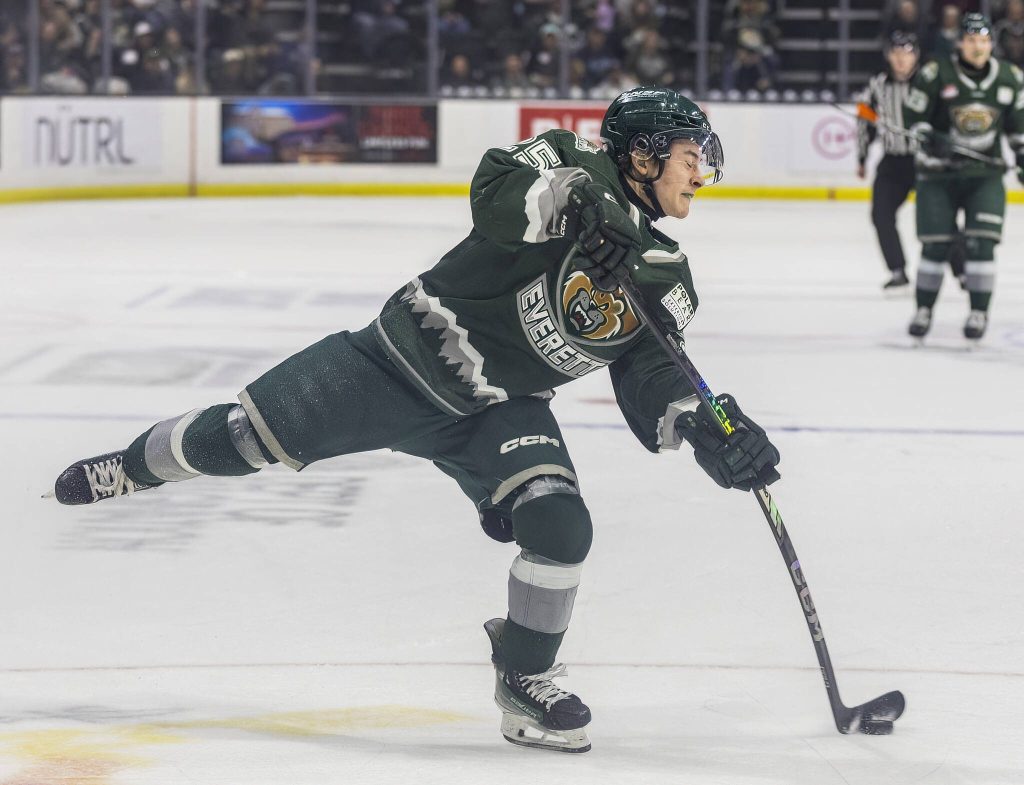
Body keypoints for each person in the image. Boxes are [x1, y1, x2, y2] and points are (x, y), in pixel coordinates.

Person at [50, 87, 781, 753]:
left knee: (560, 524)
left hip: (497, 409)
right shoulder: (566, 159)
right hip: (397, 360)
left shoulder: (666, 272)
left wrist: (705, 425)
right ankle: (134, 465)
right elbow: (495, 193)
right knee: (241, 436)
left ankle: (525, 678)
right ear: (645, 154)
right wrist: (574, 205)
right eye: (691, 157)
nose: (700, 174)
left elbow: (652, 367)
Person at [903, 13, 1024, 341]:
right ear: (961, 43)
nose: (977, 47)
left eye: (983, 41)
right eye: (971, 40)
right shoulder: (935, 72)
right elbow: (913, 116)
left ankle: (978, 312)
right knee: (936, 247)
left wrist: (1022, 155)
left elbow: (1018, 125)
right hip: (937, 176)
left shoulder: (1010, 78)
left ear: (991, 44)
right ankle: (923, 308)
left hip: (984, 174)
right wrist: (929, 138)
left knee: (982, 243)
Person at [857, 31, 921, 292]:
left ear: (915, 56)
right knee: (881, 214)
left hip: (925, 161)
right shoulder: (877, 85)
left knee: (939, 218)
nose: (901, 60)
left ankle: (962, 271)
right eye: (896, 54)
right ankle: (897, 271)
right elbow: (864, 122)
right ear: (888, 56)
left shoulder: (928, 83)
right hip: (892, 162)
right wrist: (861, 157)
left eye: (906, 54)